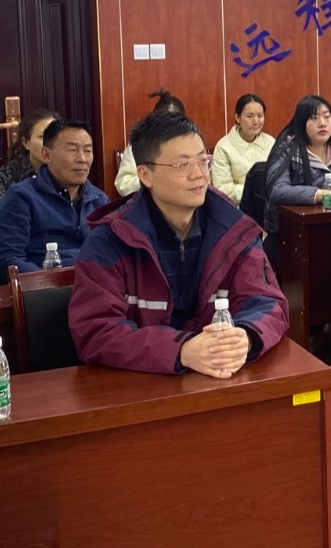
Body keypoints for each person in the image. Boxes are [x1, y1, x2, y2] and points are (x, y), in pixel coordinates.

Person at [68, 112, 289, 376]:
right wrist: (181, 350)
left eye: (203, 161)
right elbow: (95, 330)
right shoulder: (110, 240)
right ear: (145, 175)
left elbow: (269, 303)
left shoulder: (234, 230)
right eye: (182, 165)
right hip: (141, 386)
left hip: (220, 379)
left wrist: (245, 336)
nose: (199, 175)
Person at [0, 118, 109, 277]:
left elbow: (112, 253)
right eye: (72, 150)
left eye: (87, 151)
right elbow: (5, 260)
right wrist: (49, 281)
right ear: (47, 154)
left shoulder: (99, 200)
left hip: (95, 285)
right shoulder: (21, 197)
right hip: (46, 289)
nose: (82, 159)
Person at [263, 95, 331, 236]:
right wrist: (323, 195)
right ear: (301, 123)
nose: (322, 123)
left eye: (327, 117)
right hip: (293, 232)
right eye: (314, 118)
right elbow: (277, 190)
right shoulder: (287, 150)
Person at [0, 108, 59, 228]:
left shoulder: (67, 171)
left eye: (54, 137)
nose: (49, 143)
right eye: (42, 136)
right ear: (26, 143)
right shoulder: (8, 174)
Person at [116, 89, 186, 196]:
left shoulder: (191, 144)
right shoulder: (140, 143)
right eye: (166, 123)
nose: (171, 129)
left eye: (176, 123)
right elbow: (123, 183)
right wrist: (151, 180)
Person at [212, 94, 275, 205]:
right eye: (249, 116)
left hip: (270, 206)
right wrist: (254, 191)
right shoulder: (224, 147)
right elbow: (222, 189)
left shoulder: (271, 143)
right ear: (237, 118)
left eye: (260, 116)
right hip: (238, 208)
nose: (256, 121)